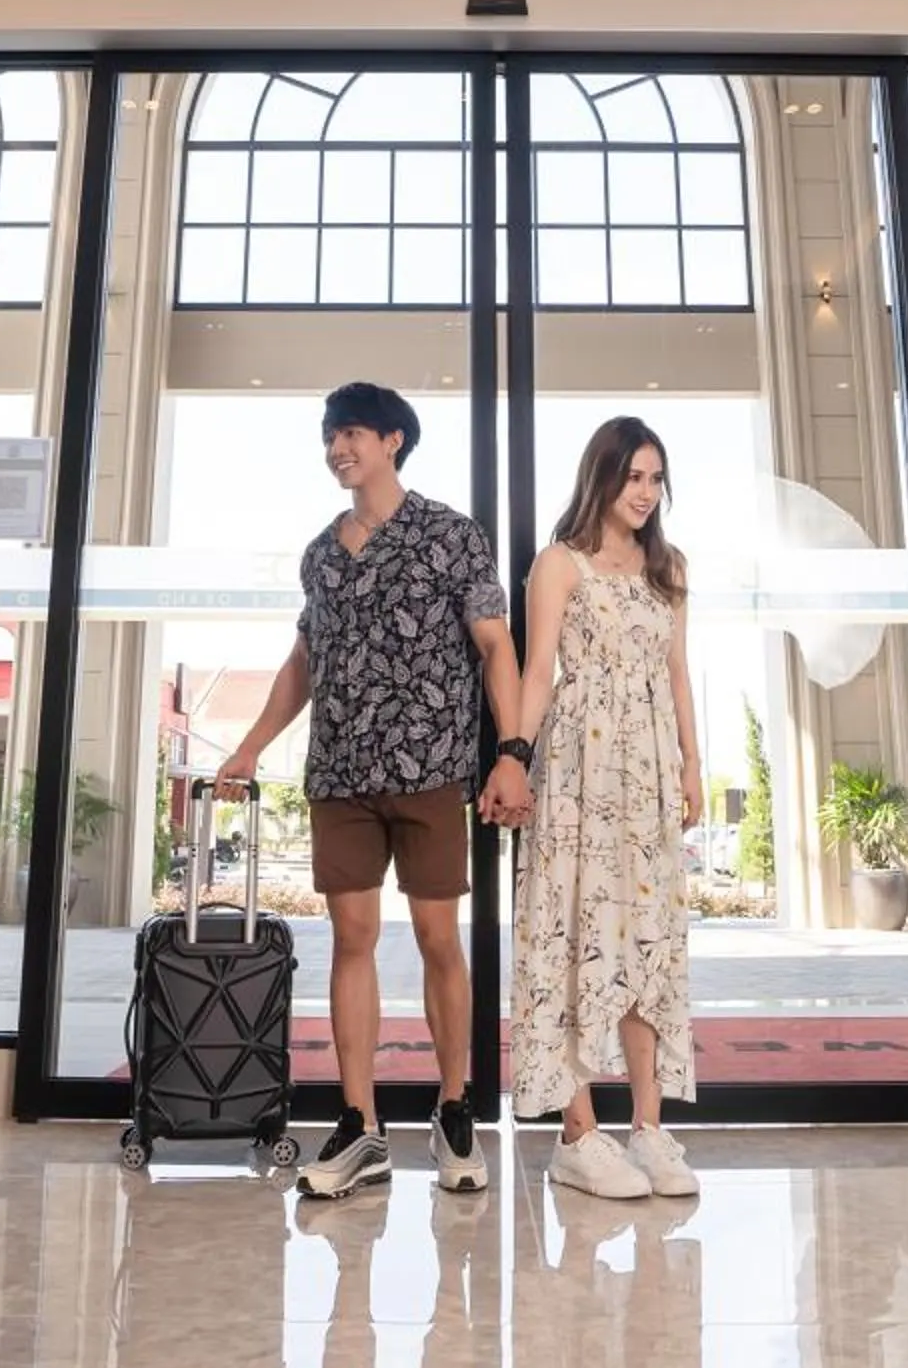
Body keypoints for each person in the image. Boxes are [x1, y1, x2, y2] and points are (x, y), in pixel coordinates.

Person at [214, 382, 527, 1202]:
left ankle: (454, 1110)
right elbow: (303, 665)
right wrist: (249, 745)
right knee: (351, 941)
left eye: (349, 433)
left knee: (436, 939)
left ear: (392, 440)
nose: (335, 449)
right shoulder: (321, 552)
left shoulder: (452, 535)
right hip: (341, 775)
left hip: (430, 768)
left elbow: (495, 648)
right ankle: (362, 1125)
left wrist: (513, 753)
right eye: (328, 436)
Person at [508, 417, 703, 1198]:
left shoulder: (670, 568)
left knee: (649, 941)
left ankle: (650, 1128)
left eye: (657, 479)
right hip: (577, 771)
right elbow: (537, 671)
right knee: (573, 931)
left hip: (649, 773)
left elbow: (680, 672)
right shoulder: (559, 564)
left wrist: (693, 763)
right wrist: (513, 759)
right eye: (633, 478)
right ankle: (577, 1132)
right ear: (602, 478)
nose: (647, 494)